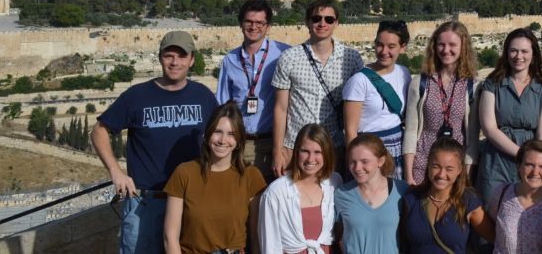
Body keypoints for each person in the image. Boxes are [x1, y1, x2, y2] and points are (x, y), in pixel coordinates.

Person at [91, 30, 219, 254]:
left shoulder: (203, 96)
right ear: (160, 57)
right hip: (147, 202)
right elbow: (99, 131)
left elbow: (221, 139)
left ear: (191, 60)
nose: (175, 62)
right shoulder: (137, 96)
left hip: (192, 201)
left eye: (181, 56)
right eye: (169, 56)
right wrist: (115, 171)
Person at [272, 0, 365, 176]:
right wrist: (277, 150)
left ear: (336, 23)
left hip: (335, 147)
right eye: (316, 19)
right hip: (295, 147)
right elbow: (280, 108)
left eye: (329, 19)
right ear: (307, 22)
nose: (322, 23)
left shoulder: (351, 59)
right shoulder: (289, 58)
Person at [163, 101, 267, 254]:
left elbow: (256, 236)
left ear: (239, 141)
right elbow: (170, 237)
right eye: (217, 131)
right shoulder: (184, 173)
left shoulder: (251, 176)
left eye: (231, 134)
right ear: (207, 134)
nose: (223, 140)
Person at [217, 0, 292, 183]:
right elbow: (222, 104)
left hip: (274, 143)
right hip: (240, 144)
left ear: (268, 27)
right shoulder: (230, 60)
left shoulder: (284, 54)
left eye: (260, 23)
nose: (254, 27)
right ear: (241, 24)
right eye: (249, 21)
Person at [476, 28, 542, 205]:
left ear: (533, 54)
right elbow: (489, 128)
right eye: (514, 50)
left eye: (524, 51)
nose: (519, 56)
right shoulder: (493, 83)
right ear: (506, 52)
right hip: (497, 160)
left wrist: (531, 161)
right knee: (490, 211)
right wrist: (522, 154)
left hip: (530, 166)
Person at [403, 21, 480, 186]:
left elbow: (472, 136)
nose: (446, 50)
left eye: (452, 45)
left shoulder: (472, 86)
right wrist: (409, 175)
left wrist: (466, 175)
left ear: (463, 47)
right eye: (441, 44)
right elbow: (410, 130)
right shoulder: (420, 83)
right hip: (424, 162)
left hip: (456, 166)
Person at [400, 137, 495, 253]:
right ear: (428, 165)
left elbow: (496, 239)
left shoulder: (468, 202)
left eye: (449, 169)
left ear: (460, 170)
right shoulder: (412, 198)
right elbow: (402, 243)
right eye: (436, 166)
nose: (441, 174)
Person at [259, 123, 342, 254]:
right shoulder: (276, 191)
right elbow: (270, 245)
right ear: (296, 152)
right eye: (305, 151)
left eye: (317, 152)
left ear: (326, 154)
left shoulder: (334, 182)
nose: (310, 159)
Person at [344, 19, 411, 178]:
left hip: (397, 146)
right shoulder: (359, 81)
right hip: (369, 150)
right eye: (379, 44)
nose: (383, 51)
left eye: (391, 46)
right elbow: (350, 130)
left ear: (403, 48)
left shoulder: (404, 73)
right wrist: (357, 163)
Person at [333, 133, 407, 253]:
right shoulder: (341, 194)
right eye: (353, 162)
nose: (357, 168)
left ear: (381, 161)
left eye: (364, 161)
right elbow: (336, 236)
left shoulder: (401, 190)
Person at [487, 139, 542, 254]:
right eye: (529, 165)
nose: (535, 172)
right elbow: (490, 227)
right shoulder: (502, 193)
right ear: (519, 166)